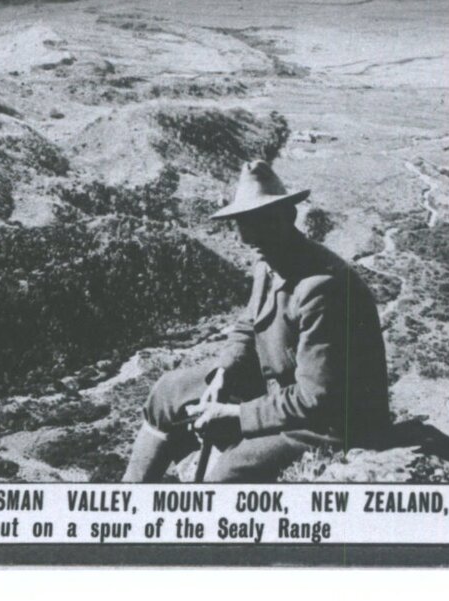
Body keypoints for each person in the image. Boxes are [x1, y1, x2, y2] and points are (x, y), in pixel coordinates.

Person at [124, 159, 392, 482]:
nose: (250, 236)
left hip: (328, 424)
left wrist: (237, 415)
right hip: (282, 391)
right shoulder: (268, 262)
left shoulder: (322, 288)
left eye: (263, 222)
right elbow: (249, 324)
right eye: (243, 223)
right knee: (168, 392)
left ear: (289, 216)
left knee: (224, 475)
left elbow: (316, 397)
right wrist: (224, 372)